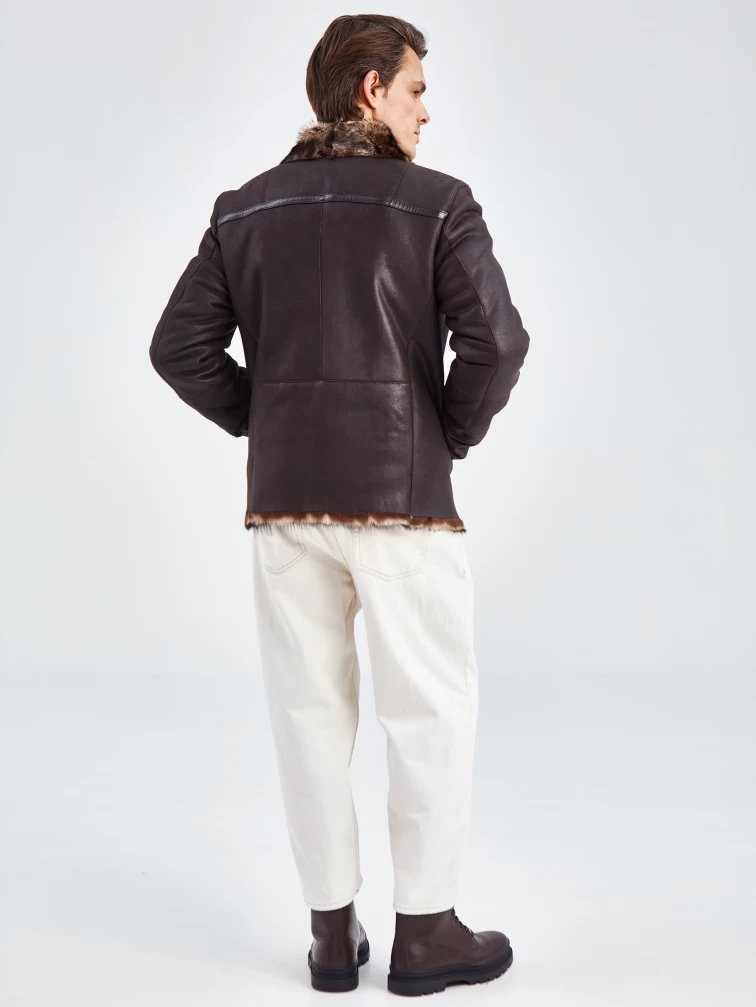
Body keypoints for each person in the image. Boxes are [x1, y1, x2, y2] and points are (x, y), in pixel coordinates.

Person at [149, 13, 530, 997]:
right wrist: (447, 433)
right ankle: (426, 931)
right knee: (428, 711)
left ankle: (330, 934)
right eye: (415, 89)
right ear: (371, 90)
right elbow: (498, 343)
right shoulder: (438, 203)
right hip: (404, 504)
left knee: (307, 713)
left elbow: (178, 347)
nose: (425, 110)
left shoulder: (244, 210)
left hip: (285, 505)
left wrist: (267, 417)